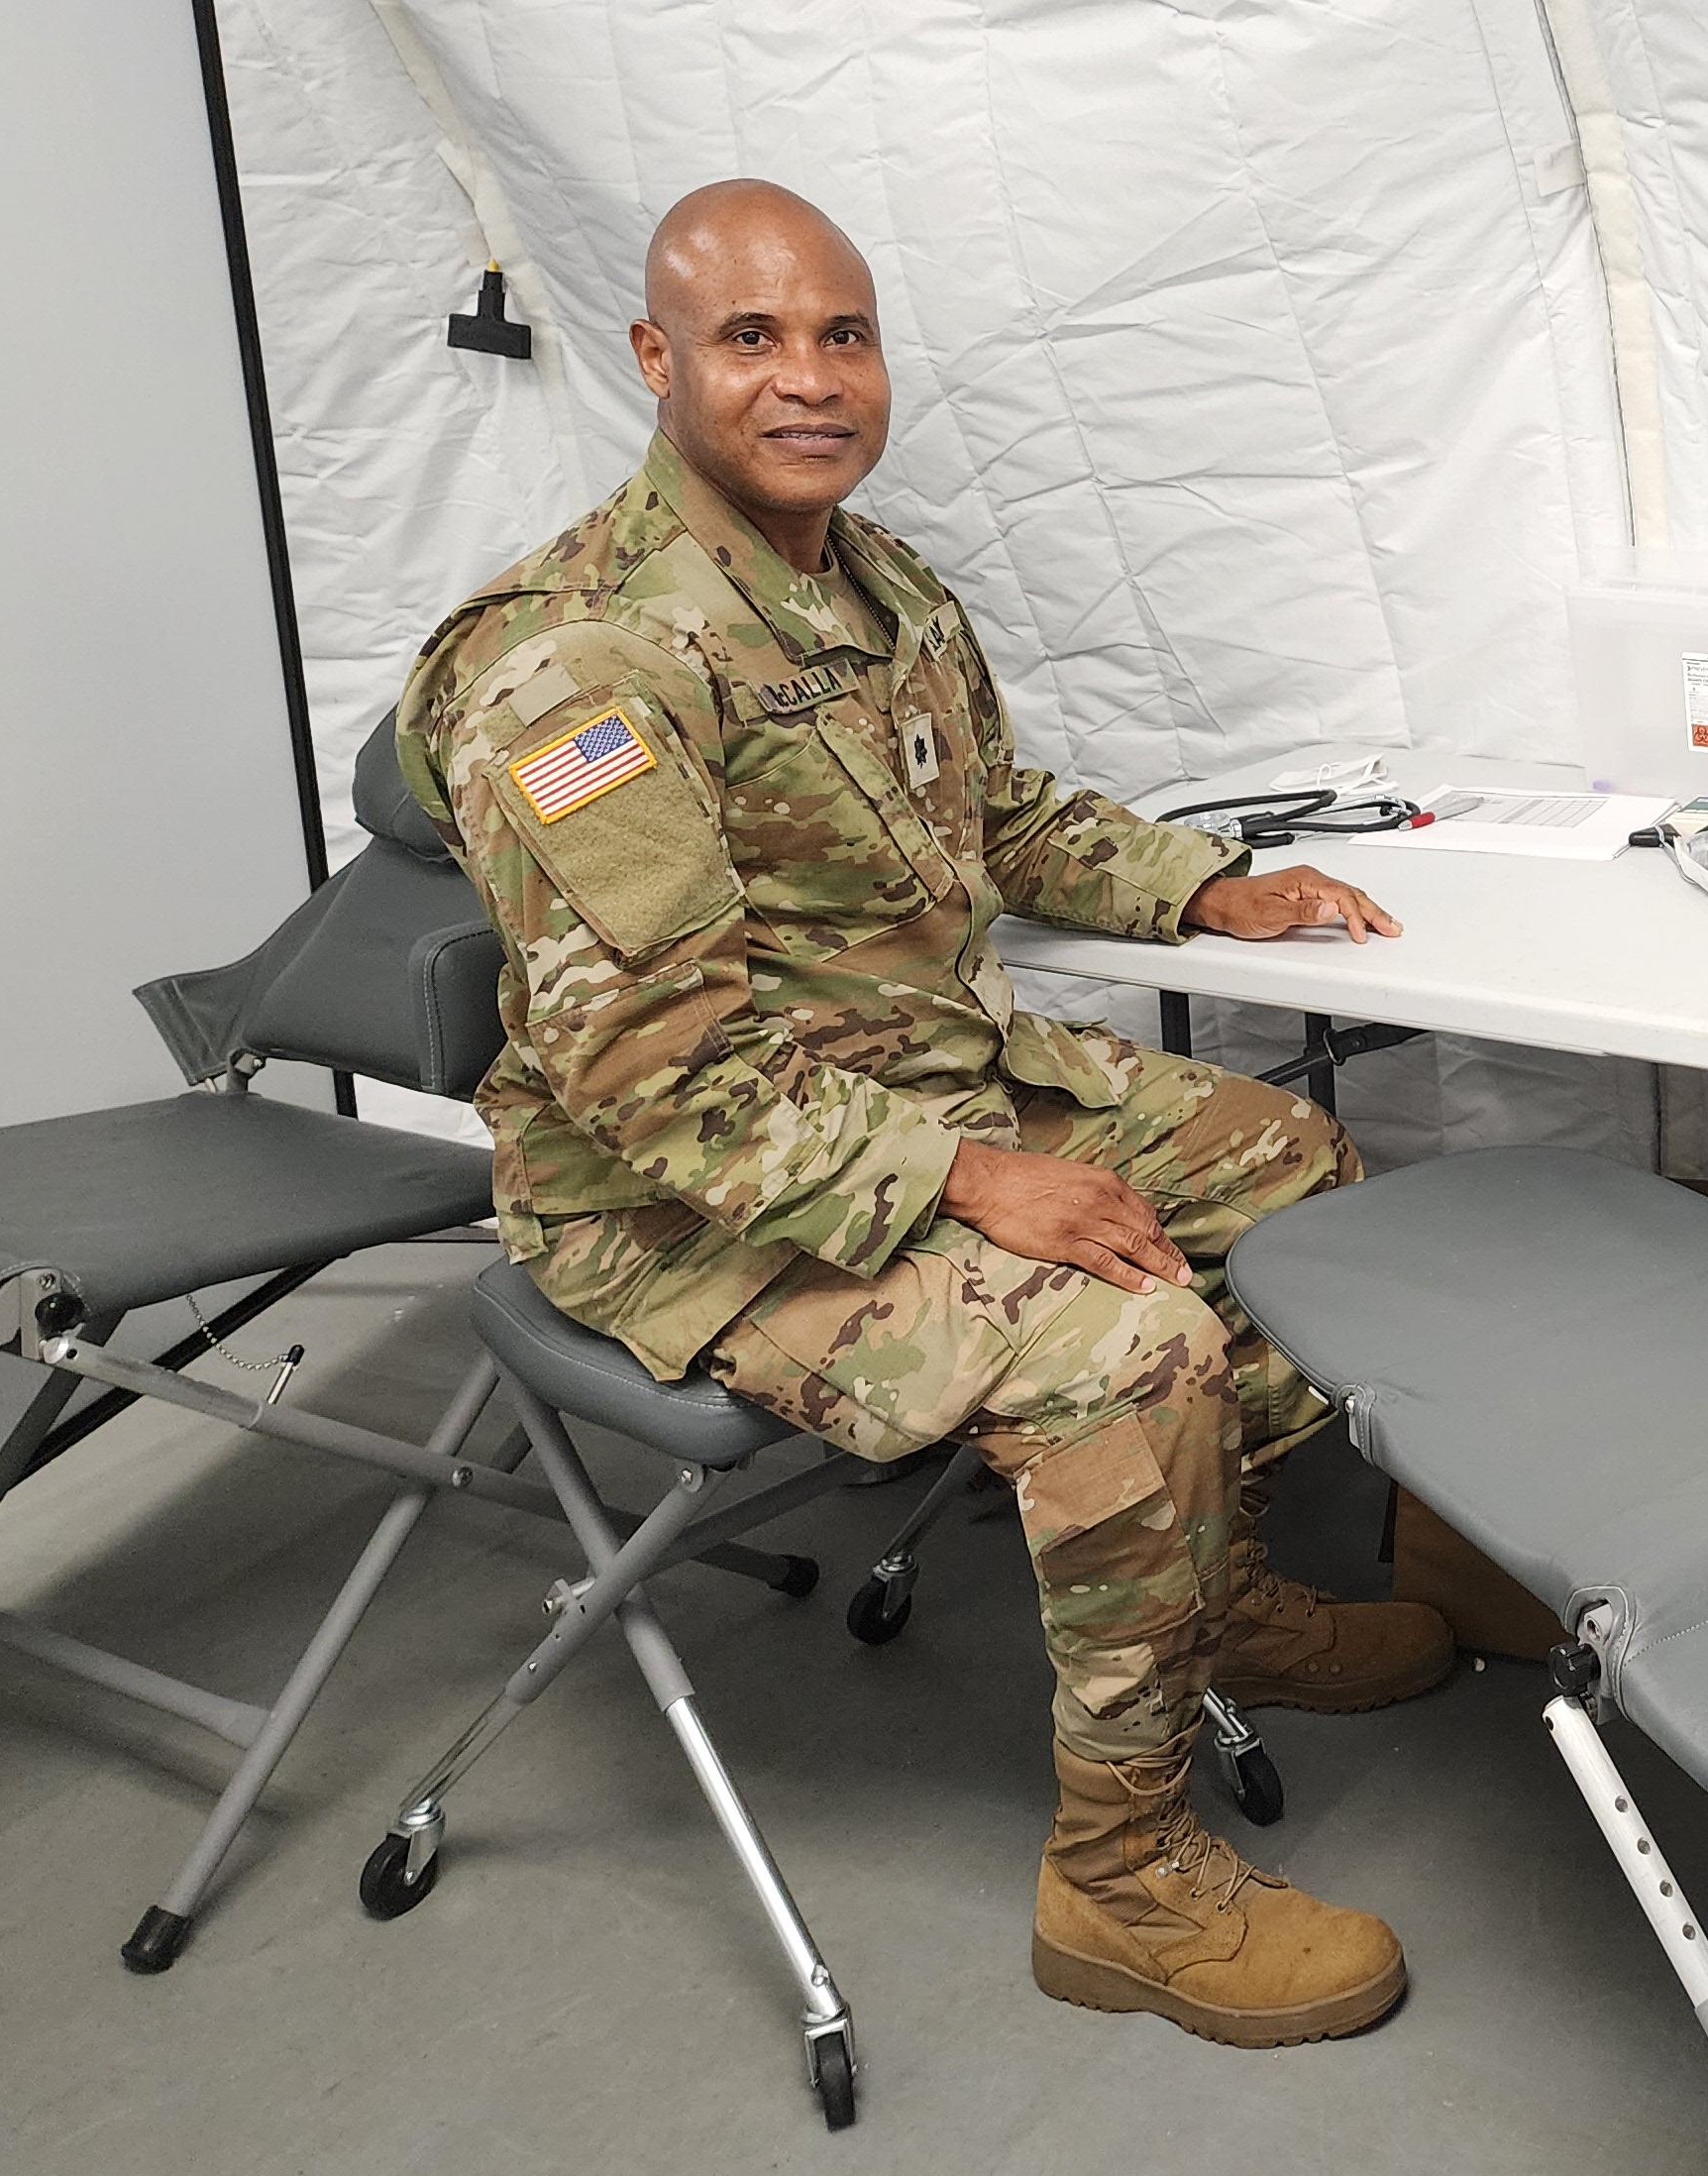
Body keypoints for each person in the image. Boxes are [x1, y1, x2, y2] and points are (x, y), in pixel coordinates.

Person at [399, 178, 1447, 2049]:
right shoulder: (579, 667)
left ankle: (1221, 1599)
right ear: (656, 359)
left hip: (914, 1082)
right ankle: (1121, 1880)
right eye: (752, 337)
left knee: (1305, 1170)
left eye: (843, 334)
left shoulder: (875, 588)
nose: (810, 379)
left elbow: (1003, 822)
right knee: (1130, 1350)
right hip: (681, 1195)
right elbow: (653, 1075)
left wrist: (1208, 887)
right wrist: (972, 1180)